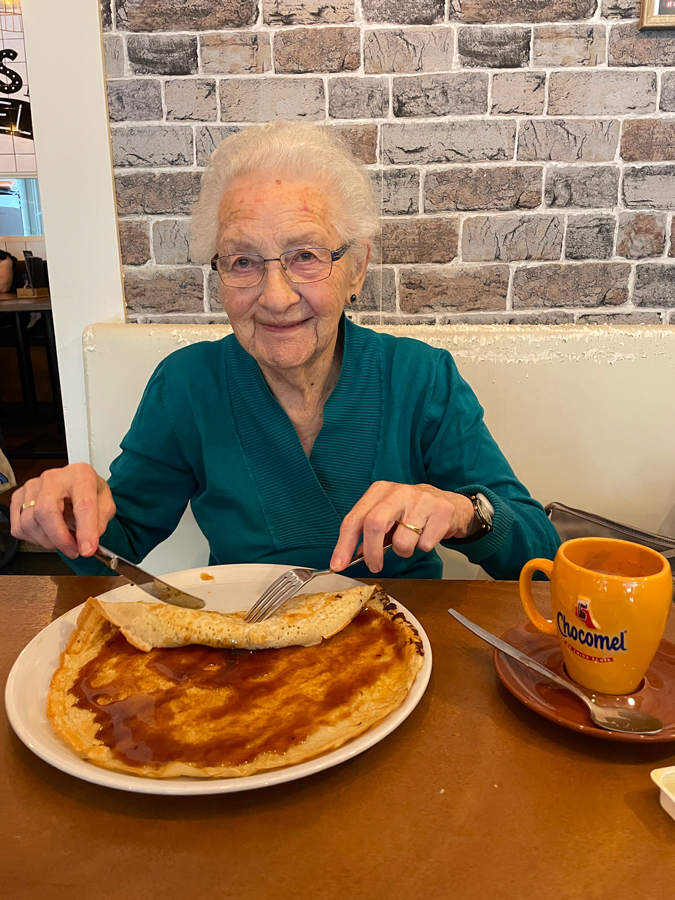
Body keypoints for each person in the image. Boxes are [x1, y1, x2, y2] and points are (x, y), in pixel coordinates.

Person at [10, 122, 560, 579]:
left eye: (305, 255)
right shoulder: (187, 385)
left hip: (401, 654)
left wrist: (468, 513)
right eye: (242, 261)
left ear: (357, 269)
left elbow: (538, 552)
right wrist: (64, 515)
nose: (275, 297)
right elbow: (115, 546)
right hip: (246, 667)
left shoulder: (421, 378)